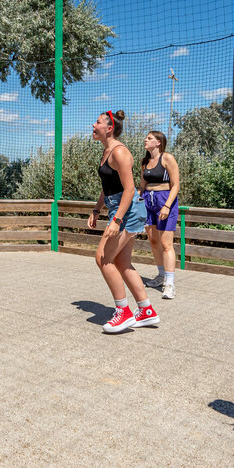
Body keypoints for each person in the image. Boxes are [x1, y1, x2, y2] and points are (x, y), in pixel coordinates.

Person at [87, 110, 157, 334]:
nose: (93, 125)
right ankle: (146, 311)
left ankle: (124, 312)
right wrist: (97, 210)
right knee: (122, 263)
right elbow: (108, 186)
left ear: (109, 128)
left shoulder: (119, 152)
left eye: (97, 122)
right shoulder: (106, 151)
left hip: (127, 211)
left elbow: (129, 189)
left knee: (103, 258)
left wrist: (116, 220)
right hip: (119, 208)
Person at [139, 130, 181, 299]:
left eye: (149, 138)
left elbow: (176, 185)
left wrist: (166, 206)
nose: (145, 140)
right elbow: (142, 186)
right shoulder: (145, 162)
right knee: (153, 240)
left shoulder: (167, 158)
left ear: (158, 142)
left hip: (165, 200)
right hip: (148, 202)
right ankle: (161, 275)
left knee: (166, 244)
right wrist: (136, 203)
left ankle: (170, 284)